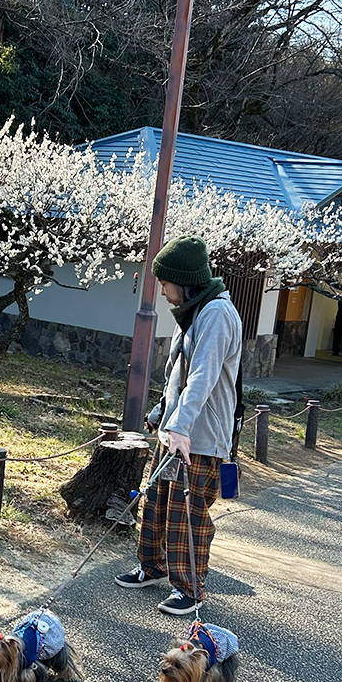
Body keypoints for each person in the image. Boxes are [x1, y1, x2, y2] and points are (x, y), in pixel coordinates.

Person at [115, 236, 243, 616]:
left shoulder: (217, 314)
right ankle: (152, 567)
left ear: (184, 281)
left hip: (199, 436)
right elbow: (178, 375)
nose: (162, 290)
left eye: (165, 283)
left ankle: (190, 588)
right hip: (176, 430)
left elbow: (202, 377)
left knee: (188, 513)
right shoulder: (192, 312)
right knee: (157, 504)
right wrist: (161, 412)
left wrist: (181, 427)